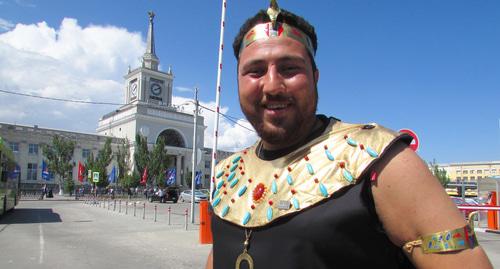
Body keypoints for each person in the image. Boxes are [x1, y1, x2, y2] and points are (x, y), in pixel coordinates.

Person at [206, 1, 492, 268]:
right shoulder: (227, 174)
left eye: (289, 68)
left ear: (315, 77)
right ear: (238, 82)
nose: (271, 85)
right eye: (255, 71)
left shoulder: (381, 160)